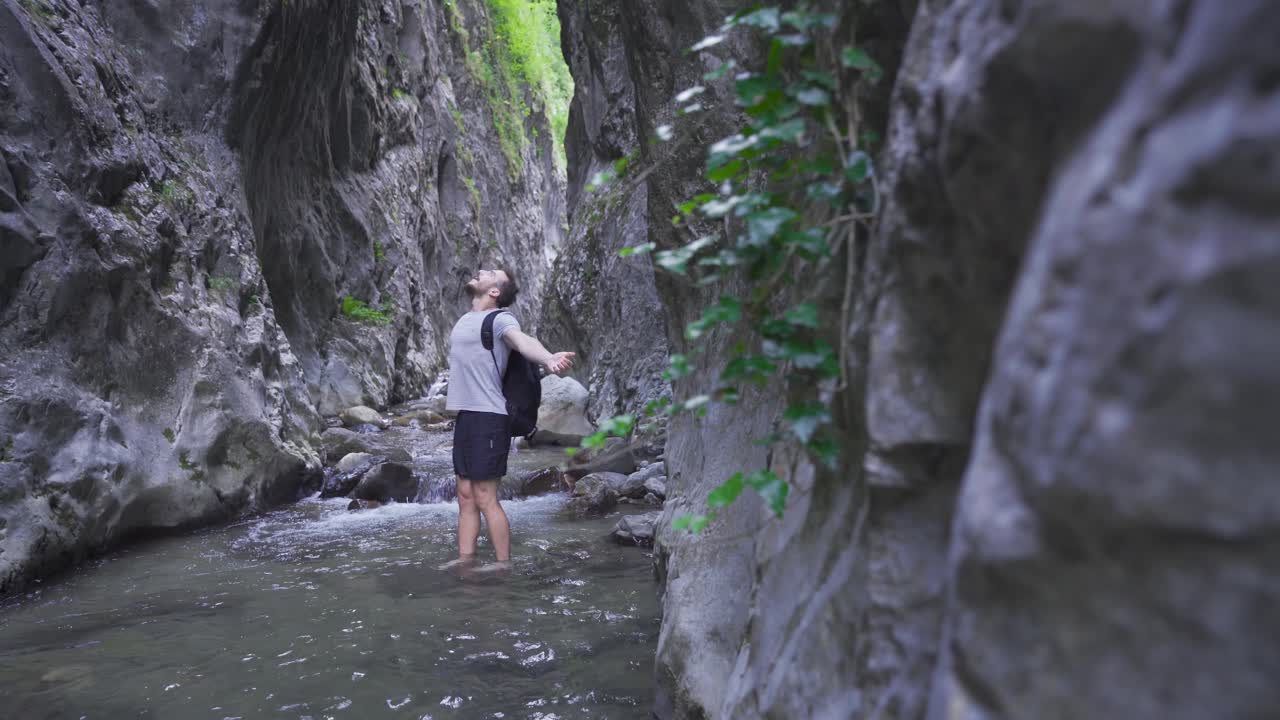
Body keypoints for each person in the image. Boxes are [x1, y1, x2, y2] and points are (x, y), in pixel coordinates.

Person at [440, 267, 574, 571]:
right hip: (466, 415)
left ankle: (503, 563)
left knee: (485, 496)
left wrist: (548, 358)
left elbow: (523, 341)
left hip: (490, 416)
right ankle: (466, 559)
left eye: (489, 272)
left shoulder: (501, 319)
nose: (480, 271)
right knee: (465, 495)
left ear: (495, 291)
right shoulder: (464, 319)